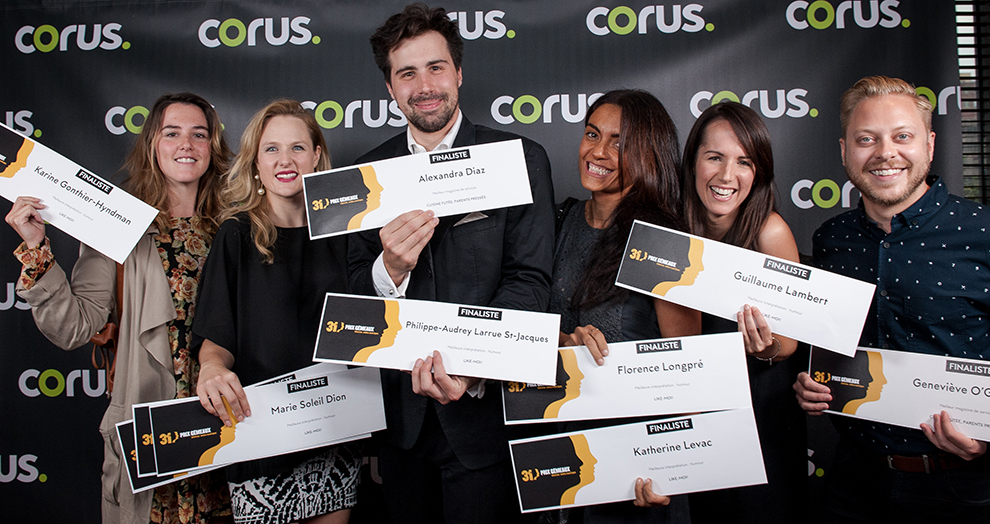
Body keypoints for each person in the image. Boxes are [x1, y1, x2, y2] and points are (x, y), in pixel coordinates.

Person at [347, 4, 555, 523]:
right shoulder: (366, 176)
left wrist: (472, 364)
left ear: (458, 73)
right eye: (407, 73)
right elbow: (352, 296)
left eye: (436, 68)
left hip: (486, 421)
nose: (424, 86)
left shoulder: (519, 158)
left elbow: (530, 281)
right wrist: (391, 269)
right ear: (390, 88)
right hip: (402, 429)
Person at [5, 93, 233, 524]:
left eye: (199, 134)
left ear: (212, 146)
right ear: (153, 144)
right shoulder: (116, 223)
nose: (186, 144)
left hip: (228, 419)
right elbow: (74, 327)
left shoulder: (237, 222)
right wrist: (36, 249)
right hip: (151, 425)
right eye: (172, 133)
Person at [793, 75, 990, 522]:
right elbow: (829, 347)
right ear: (845, 150)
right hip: (854, 480)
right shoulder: (831, 240)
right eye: (867, 139)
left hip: (963, 486)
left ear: (929, 145)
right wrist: (811, 382)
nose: (885, 153)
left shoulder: (982, 232)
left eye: (902, 136)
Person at [191, 100, 359, 524]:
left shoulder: (346, 233)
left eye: (297, 148)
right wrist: (211, 367)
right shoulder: (236, 234)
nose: (285, 160)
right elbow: (215, 337)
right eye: (271, 149)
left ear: (316, 155)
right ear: (255, 162)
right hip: (261, 431)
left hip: (333, 427)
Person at [550, 89, 699, 522]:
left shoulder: (662, 242)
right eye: (592, 134)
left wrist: (668, 467)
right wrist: (563, 341)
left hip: (635, 467)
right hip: (560, 455)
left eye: (619, 142)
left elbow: (689, 374)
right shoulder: (558, 220)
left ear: (649, 153)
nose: (598, 152)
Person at [676, 101, 807, 522]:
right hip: (690, 417)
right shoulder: (668, 235)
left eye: (744, 162)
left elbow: (788, 344)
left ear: (759, 171)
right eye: (714, 157)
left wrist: (766, 348)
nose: (727, 176)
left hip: (759, 417)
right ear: (693, 161)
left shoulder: (770, 231)